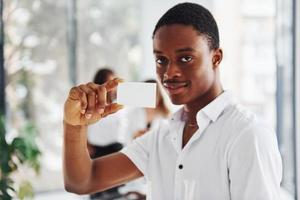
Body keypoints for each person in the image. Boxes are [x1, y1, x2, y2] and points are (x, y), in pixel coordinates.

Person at [63, 3, 282, 200]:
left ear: (216, 57)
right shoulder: (164, 136)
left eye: (185, 58)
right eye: (161, 60)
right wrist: (73, 125)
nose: (170, 72)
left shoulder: (247, 134)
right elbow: (82, 181)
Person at [86, 68, 124, 199]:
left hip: (114, 149)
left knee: (113, 189)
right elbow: (84, 125)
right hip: (97, 151)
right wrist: (86, 146)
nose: (112, 86)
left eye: (114, 82)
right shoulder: (92, 103)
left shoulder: (117, 104)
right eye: (109, 82)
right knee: (97, 189)